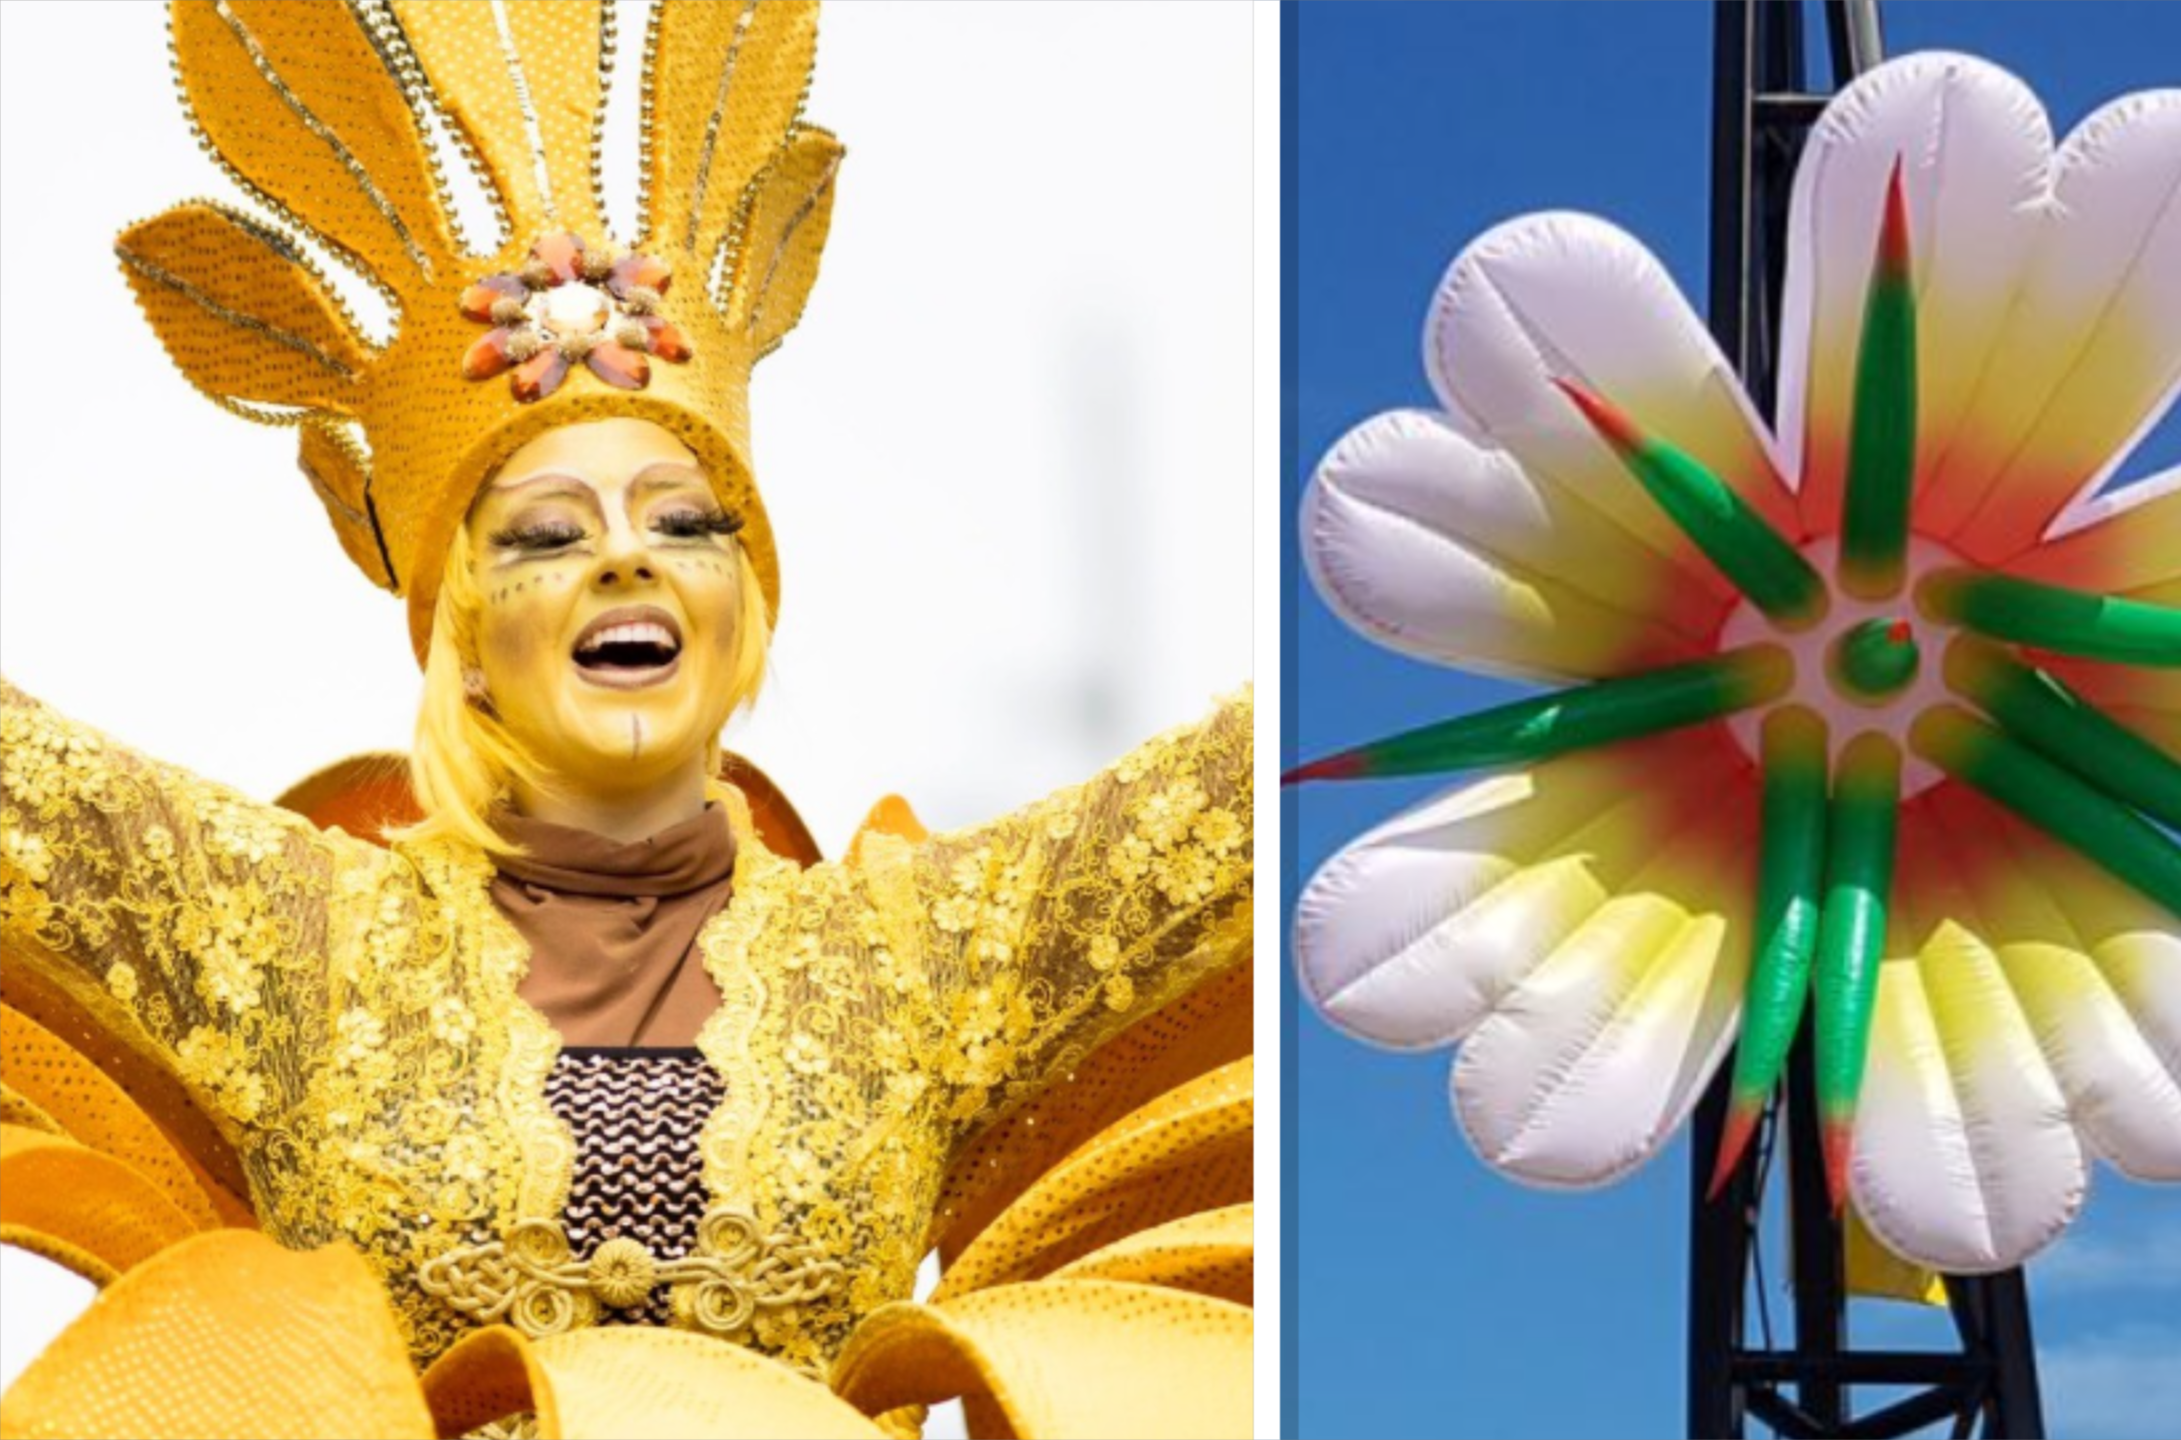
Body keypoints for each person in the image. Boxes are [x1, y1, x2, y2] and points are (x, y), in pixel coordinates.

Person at [0, 2, 1249, 1433]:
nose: (624, 557)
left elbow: (1236, 797)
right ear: (464, 638)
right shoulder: (298, 944)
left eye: (685, 521)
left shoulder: (917, 965)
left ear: (743, 611)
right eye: (544, 533)